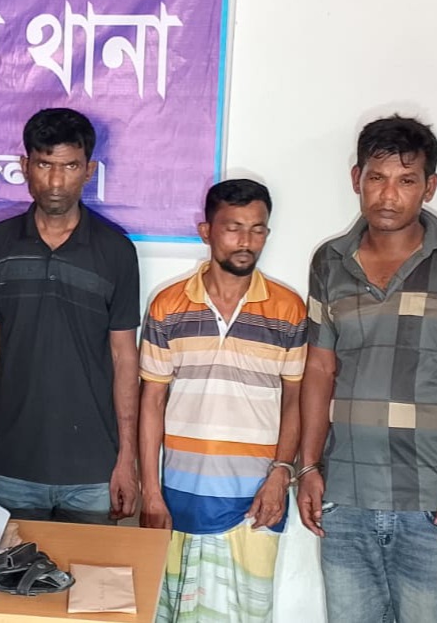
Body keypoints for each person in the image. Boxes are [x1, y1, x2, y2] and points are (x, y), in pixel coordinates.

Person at [296, 115, 437, 623]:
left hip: (435, 501)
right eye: (377, 177)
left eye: (406, 180)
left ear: (429, 187)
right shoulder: (329, 262)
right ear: (357, 179)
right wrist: (307, 467)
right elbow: (319, 369)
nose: (388, 195)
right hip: (345, 497)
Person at [139, 179, 305, 623]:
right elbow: (151, 403)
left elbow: (296, 400)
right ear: (206, 231)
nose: (246, 241)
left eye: (257, 229)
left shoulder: (288, 310)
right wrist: (151, 491)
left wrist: (281, 473)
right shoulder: (167, 307)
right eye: (233, 228)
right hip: (181, 499)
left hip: (257, 500)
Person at [0, 108, 141, 524]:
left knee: (86, 569)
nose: (56, 181)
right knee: (10, 565)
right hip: (13, 459)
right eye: (45, 165)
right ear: (25, 166)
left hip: (93, 467)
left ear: (89, 170)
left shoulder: (116, 252)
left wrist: (126, 458)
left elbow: (124, 358)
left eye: (70, 166)